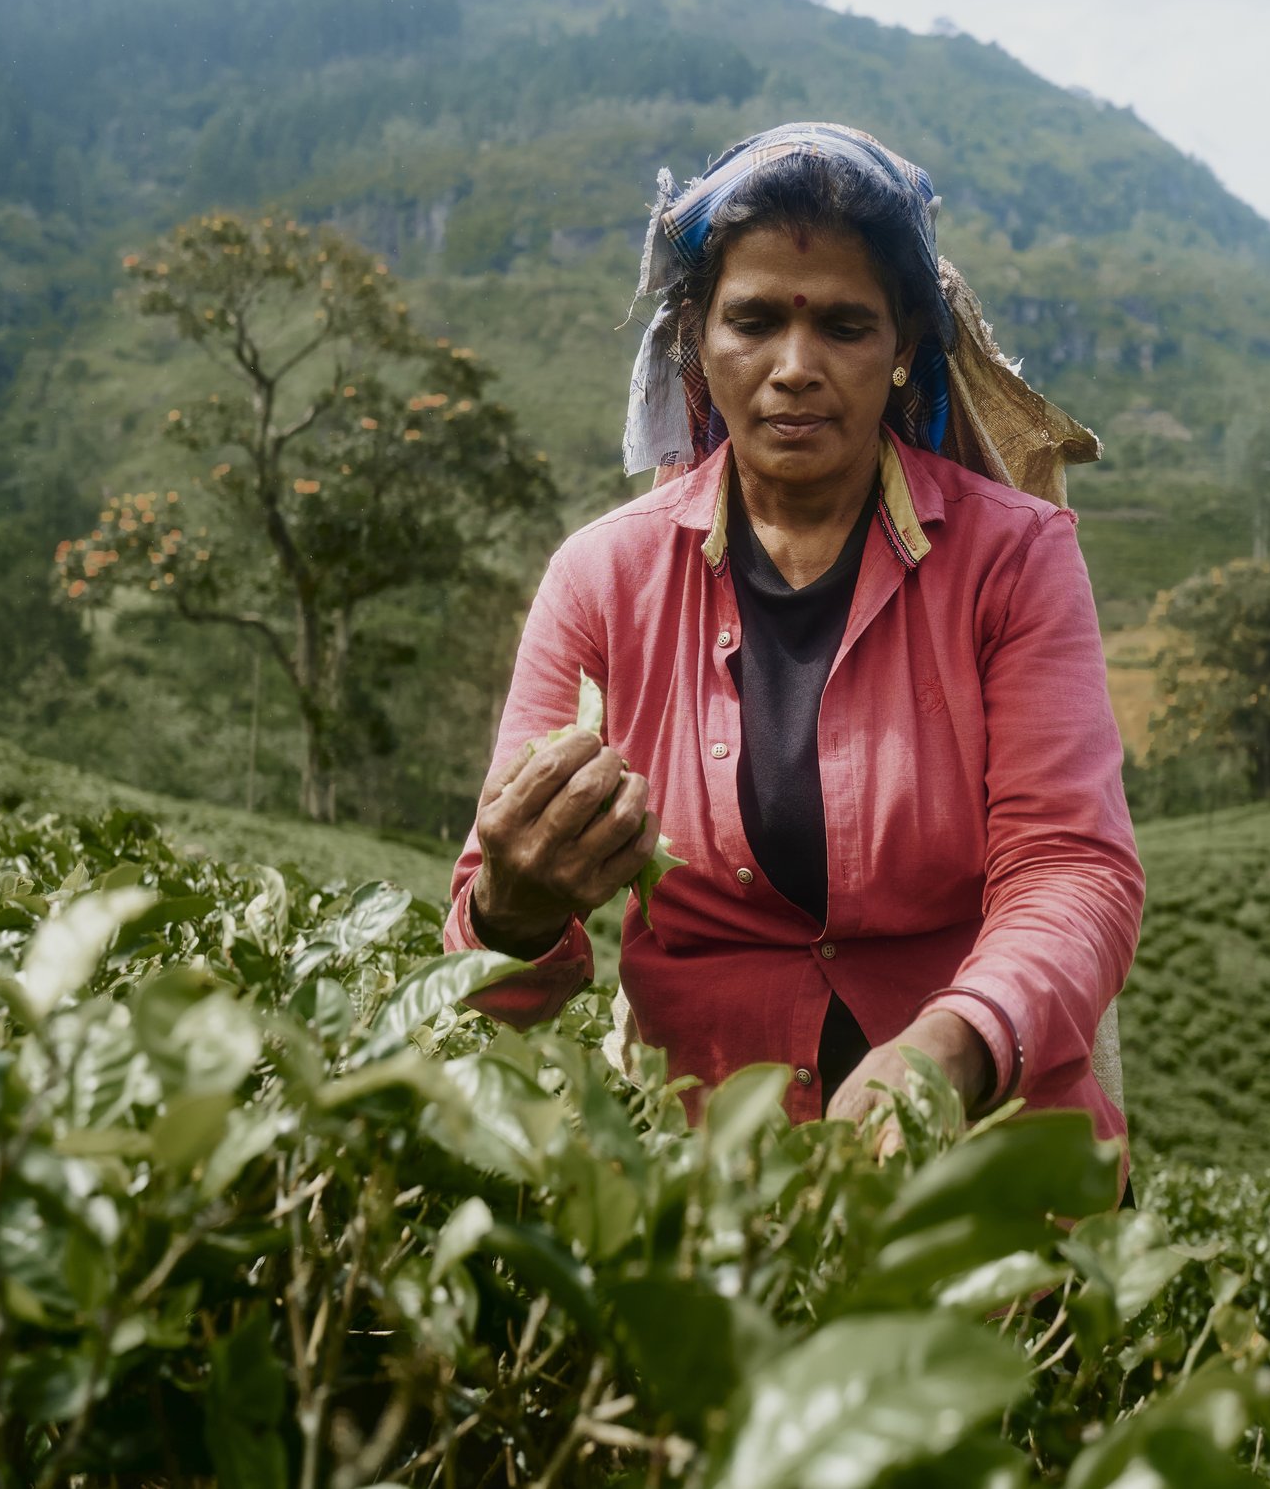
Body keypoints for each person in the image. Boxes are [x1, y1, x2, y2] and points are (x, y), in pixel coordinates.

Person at [441, 121, 1143, 1148]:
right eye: (755, 320)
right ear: (698, 340)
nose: (795, 367)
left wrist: (950, 1046)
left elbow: (1071, 867)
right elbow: (489, 975)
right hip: (711, 1186)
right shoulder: (603, 582)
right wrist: (513, 903)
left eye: (846, 328)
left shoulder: (1013, 558)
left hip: (983, 1166)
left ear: (904, 347)